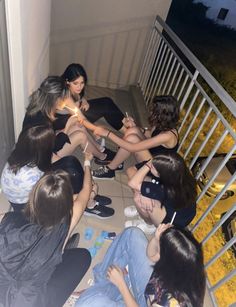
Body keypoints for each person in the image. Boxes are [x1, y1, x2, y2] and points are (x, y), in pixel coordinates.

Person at [0, 167, 92, 307]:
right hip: (30, 301)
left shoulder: (8, 220)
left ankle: (59, 252)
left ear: (33, 196)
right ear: (67, 204)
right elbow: (86, 190)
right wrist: (87, 163)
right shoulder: (65, 223)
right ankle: (59, 251)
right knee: (83, 256)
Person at [75, 225, 206, 307]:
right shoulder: (187, 263)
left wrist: (122, 284)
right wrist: (156, 239)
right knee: (133, 234)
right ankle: (103, 285)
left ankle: (111, 290)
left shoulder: (170, 304)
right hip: (151, 291)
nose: (158, 252)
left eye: (161, 248)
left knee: (86, 304)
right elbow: (151, 256)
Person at [0, 125, 114, 218]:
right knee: (67, 180)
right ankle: (87, 203)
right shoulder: (31, 175)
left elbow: (57, 159)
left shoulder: (27, 149)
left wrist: (76, 172)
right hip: (28, 207)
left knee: (70, 162)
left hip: (32, 189)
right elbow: (50, 197)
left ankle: (87, 192)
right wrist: (81, 194)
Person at [92, 95, 179, 179]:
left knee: (131, 139)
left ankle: (109, 170)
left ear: (162, 113)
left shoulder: (168, 136)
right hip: (150, 154)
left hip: (156, 168)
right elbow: (150, 134)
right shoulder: (163, 124)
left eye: (154, 110)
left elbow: (132, 147)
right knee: (132, 131)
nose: (151, 111)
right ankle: (118, 162)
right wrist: (135, 126)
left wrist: (108, 133)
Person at [23, 76, 109, 160]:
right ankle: (102, 157)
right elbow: (55, 147)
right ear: (54, 99)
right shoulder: (41, 119)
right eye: (64, 98)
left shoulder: (43, 107)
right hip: (43, 157)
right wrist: (67, 127)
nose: (66, 101)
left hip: (47, 142)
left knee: (78, 126)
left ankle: (99, 149)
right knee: (80, 136)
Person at [60, 63, 127, 165]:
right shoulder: (65, 95)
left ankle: (128, 129)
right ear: (67, 81)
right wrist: (96, 129)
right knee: (83, 126)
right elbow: (82, 119)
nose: (79, 87)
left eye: (82, 83)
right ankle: (101, 151)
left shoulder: (72, 89)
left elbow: (77, 97)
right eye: (76, 83)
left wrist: (84, 100)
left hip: (77, 113)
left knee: (106, 102)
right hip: (66, 122)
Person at [125, 152, 197, 231]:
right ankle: (144, 210)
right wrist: (141, 191)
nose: (150, 164)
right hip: (172, 206)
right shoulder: (172, 170)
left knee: (138, 198)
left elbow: (132, 183)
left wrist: (141, 193)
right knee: (142, 183)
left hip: (174, 222)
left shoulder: (168, 189)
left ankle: (148, 225)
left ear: (161, 174)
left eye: (152, 166)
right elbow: (130, 170)